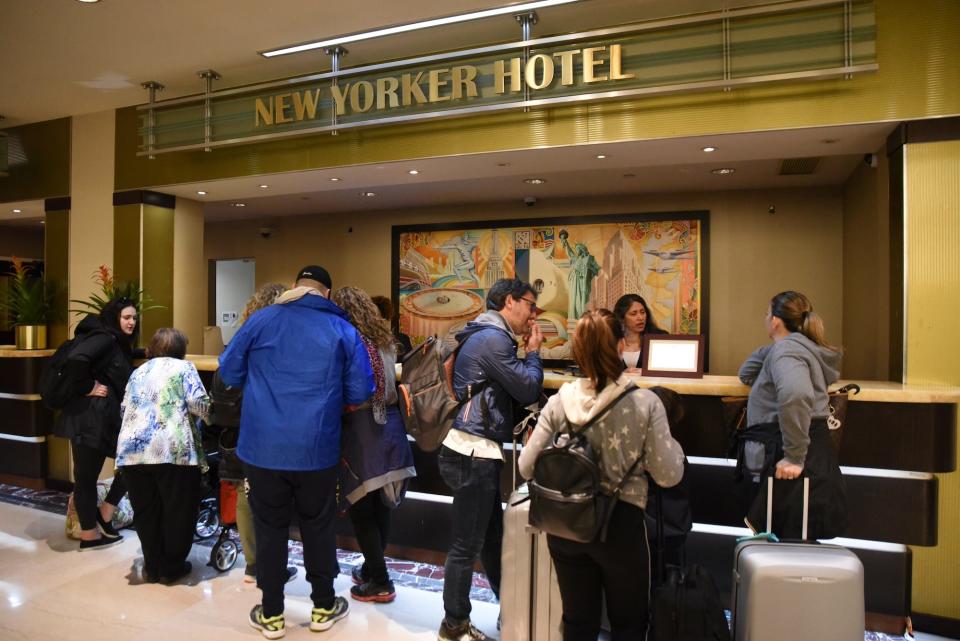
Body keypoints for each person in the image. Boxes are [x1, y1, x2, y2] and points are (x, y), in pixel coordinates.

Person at [219, 265, 374, 640]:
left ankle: (271, 614)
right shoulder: (343, 330)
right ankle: (323, 606)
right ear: (328, 294)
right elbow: (360, 391)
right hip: (317, 450)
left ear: (293, 288)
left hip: (262, 449)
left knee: (269, 527)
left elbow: (228, 371)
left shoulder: (261, 320)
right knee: (318, 526)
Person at [518, 310, 685, 641]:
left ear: (577, 349)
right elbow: (669, 474)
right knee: (629, 625)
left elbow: (525, 466)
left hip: (566, 523)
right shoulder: (644, 403)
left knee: (578, 623)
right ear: (621, 345)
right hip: (620, 526)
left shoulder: (558, 402)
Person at [438, 277, 544, 641]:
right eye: (531, 305)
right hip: (473, 451)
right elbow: (528, 388)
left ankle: (511, 609)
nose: (534, 315)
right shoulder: (493, 338)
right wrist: (533, 353)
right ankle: (453, 626)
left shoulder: (481, 334)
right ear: (511, 301)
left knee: (491, 539)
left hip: (471, 448)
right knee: (466, 545)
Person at [206, 283, 297, 585]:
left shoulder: (240, 340)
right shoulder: (279, 343)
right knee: (272, 499)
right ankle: (273, 566)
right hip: (267, 429)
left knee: (245, 493)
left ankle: (253, 563)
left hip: (233, 432)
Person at [737, 290, 846, 539]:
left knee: (786, 544)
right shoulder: (789, 350)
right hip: (810, 448)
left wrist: (794, 458)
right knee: (797, 541)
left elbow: (796, 395)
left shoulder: (787, 353)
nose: (765, 319)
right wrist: (776, 347)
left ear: (775, 320)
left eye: (767, 314)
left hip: (791, 453)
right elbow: (746, 373)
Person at [331, 287, 417, 604]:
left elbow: (352, 392)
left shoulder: (347, 340)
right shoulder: (383, 341)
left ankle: (380, 580)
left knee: (361, 508)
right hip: (390, 425)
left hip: (362, 429)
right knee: (381, 503)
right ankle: (371, 568)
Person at [116, 328, 210, 583]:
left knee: (147, 511)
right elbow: (199, 403)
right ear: (180, 350)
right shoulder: (184, 368)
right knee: (178, 510)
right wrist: (210, 417)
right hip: (172, 450)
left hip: (133, 452)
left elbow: (124, 408)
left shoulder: (138, 372)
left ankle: (153, 565)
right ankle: (171, 567)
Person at [54, 297, 140, 551]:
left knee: (123, 466)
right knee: (89, 476)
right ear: (115, 318)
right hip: (91, 418)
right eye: (126, 317)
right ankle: (91, 532)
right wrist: (87, 386)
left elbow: (117, 359)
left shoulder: (114, 342)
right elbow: (77, 359)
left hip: (97, 418)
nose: (132, 322)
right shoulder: (104, 338)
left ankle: (101, 518)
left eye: (134, 318)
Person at [613, 293, 667, 372]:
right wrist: (623, 374)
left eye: (642, 312)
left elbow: (667, 370)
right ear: (622, 318)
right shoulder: (612, 340)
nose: (640, 318)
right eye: (633, 314)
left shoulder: (659, 337)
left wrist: (644, 372)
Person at [559, 230, 600, 321]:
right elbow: (569, 252)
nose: (577, 252)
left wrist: (589, 270)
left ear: (583, 250)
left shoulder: (589, 258)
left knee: (583, 301)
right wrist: (565, 242)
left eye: (579, 250)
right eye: (577, 250)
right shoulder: (576, 260)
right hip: (574, 281)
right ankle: (575, 317)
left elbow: (598, 269)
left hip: (583, 283)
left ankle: (583, 317)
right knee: (574, 299)